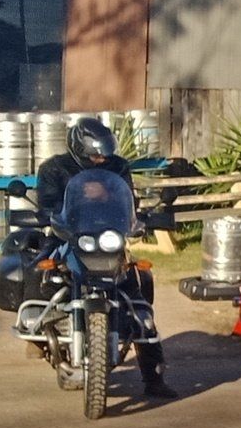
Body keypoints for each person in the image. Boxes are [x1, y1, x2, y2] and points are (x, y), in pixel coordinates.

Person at [34, 117, 175, 399]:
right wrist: (61, 209)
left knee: (136, 298)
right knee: (42, 271)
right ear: (79, 149)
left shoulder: (118, 166)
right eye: (95, 155)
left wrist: (138, 217)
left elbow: (128, 203)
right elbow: (47, 204)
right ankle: (39, 331)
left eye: (104, 154)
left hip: (109, 236)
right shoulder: (54, 168)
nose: (101, 159)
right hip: (69, 235)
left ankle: (154, 378)